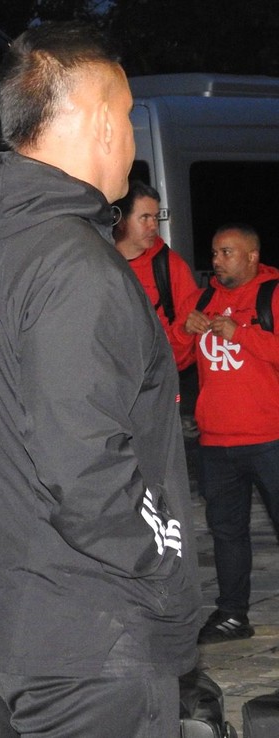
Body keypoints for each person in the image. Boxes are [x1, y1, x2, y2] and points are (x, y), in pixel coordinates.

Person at [0, 22, 200, 737]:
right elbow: (85, 467)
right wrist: (160, 566)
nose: (128, 135)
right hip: (94, 637)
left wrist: (6, 481)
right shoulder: (77, 266)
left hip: (5, 626)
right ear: (96, 119)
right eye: (124, 116)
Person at [168, 223, 279, 644]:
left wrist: (243, 335)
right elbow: (175, 358)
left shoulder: (271, 294)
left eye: (227, 252)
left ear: (252, 256)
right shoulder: (205, 298)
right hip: (217, 441)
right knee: (227, 532)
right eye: (214, 253)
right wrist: (185, 330)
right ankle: (232, 614)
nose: (216, 261)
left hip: (270, 436)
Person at [113, 179, 198, 335]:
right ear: (122, 221)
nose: (153, 226)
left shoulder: (170, 266)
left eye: (155, 217)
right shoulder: (101, 261)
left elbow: (189, 328)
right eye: (144, 218)